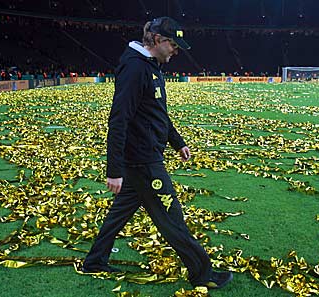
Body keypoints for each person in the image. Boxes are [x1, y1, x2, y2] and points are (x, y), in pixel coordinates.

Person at [83, 17, 233, 290]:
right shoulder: (135, 68)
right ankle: (202, 273)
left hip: (141, 159)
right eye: (173, 45)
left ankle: (94, 261)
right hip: (143, 162)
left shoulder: (150, 66)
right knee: (172, 218)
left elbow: (156, 114)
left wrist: (177, 142)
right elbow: (119, 120)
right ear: (157, 40)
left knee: (119, 213)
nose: (176, 51)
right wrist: (114, 171)